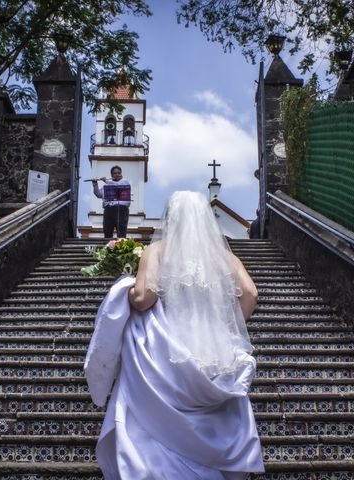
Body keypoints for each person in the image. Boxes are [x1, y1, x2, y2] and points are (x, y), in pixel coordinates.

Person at [84, 191, 264, 479]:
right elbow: (251, 294)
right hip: (213, 346)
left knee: (154, 414)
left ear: (169, 218)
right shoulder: (224, 256)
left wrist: (126, 288)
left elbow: (144, 298)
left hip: (170, 346)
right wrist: (227, 328)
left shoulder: (158, 251)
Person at [92, 165, 130, 238]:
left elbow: (117, 185)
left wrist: (106, 180)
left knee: (121, 231)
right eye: (115, 173)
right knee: (107, 230)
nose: (117, 175)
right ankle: (108, 247)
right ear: (112, 175)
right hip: (109, 209)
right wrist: (95, 185)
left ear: (121, 174)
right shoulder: (106, 186)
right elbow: (98, 194)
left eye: (119, 173)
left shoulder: (124, 181)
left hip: (121, 209)